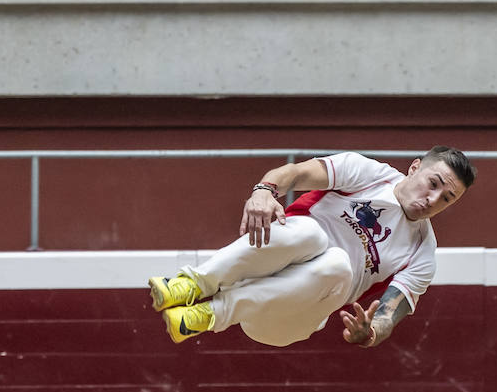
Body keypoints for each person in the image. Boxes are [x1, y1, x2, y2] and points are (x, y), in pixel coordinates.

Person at [149, 146, 475, 348]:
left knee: (336, 264)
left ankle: (212, 313)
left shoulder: (422, 252)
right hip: (261, 270)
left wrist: (370, 333)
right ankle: (192, 287)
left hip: (289, 318)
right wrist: (264, 190)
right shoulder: (365, 172)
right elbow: (293, 173)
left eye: (446, 199)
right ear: (414, 168)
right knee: (311, 233)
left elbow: (388, 316)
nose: (432, 200)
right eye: (433, 184)